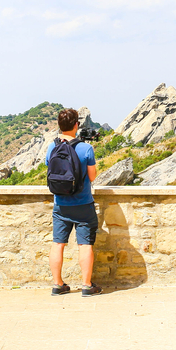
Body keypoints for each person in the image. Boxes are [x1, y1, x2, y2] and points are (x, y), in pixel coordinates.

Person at [46, 108, 102, 296]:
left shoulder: (52, 147)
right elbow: (92, 177)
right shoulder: (86, 148)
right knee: (85, 245)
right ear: (76, 125)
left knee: (58, 244)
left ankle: (57, 285)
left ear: (59, 125)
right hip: (83, 204)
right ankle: (86, 286)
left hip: (60, 205)